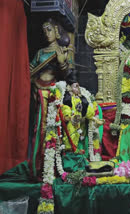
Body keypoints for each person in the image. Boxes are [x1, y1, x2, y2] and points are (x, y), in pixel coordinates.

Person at [30, 18, 72, 179]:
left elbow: (67, 75)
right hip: (39, 91)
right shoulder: (41, 53)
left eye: (49, 30)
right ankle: (38, 167)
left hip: (54, 93)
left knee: (54, 129)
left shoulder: (62, 51)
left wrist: (62, 63)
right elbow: (30, 70)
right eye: (44, 31)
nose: (47, 34)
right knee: (40, 128)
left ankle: (53, 168)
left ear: (57, 31)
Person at [60, 70, 104, 172]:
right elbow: (65, 114)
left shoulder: (81, 98)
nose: (78, 89)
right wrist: (71, 118)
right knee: (70, 144)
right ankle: (70, 166)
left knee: (80, 144)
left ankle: (80, 165)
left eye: (78, 86)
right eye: (75, 86)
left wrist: (95, 120)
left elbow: (88, 112)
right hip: (70, 127)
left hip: (80, 127)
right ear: (69, 87)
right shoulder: (67, 99)